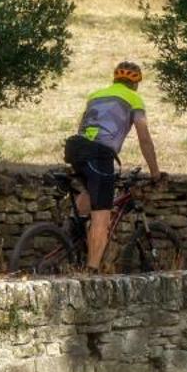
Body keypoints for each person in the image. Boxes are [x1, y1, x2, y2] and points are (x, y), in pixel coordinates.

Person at [63, 60, 163, 270]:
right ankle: (91, 272)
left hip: (76, 148)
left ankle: (73, 231)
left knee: (89, 191)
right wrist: (155, 173)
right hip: (100, 154)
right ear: (136, 84)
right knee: (102, 216)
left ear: (115, 79)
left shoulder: (96, 95)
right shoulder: (134, 98)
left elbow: (83, 126)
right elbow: (144, 138)